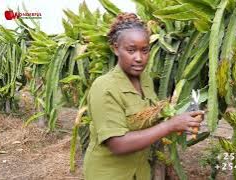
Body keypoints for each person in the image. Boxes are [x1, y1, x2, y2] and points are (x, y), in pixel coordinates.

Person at [83, 13, 204, 180]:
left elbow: (153, 115)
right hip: (109, 174)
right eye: (131, 50)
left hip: (140, 171)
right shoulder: (104, 87)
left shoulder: (144, 79)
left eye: (145, 50)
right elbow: (117, 144)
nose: (139, 58)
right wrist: (170, 126)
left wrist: (183, 118)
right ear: (115, 48)